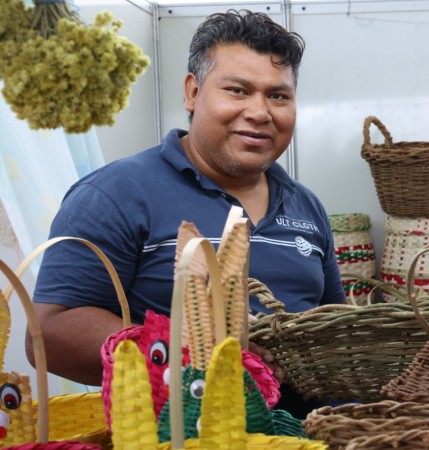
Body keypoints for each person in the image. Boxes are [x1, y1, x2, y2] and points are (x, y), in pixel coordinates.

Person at [26, 10, 345, 417]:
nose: (261, 112)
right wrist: (188, 349)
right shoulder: (115, 193)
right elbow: (48, 332)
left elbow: (331, 324)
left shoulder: (306, 205)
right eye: (238, 90)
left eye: (278, 96)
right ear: (193, 92)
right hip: (175, 434)